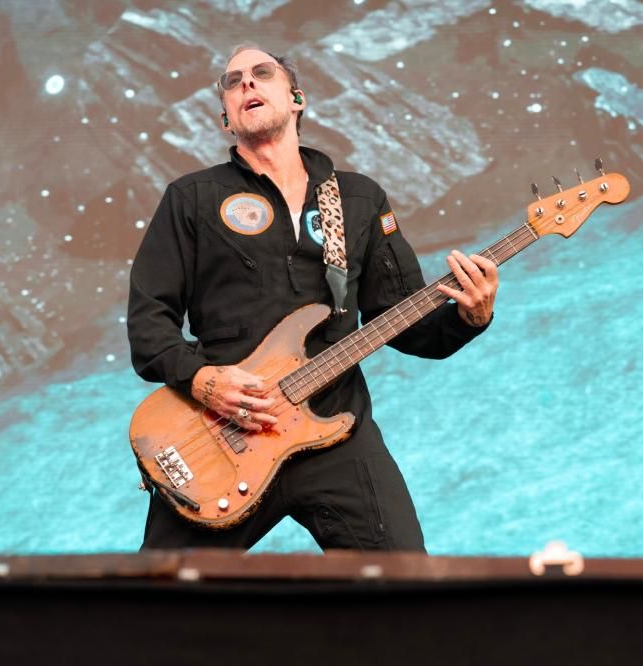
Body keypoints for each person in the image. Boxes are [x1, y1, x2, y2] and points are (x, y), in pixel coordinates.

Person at [127, 44, 498, 552]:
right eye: (233, 81)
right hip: (220, 435)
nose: (246, 83)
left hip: (336, 432)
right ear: (225, 119)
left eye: (262, 73)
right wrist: (203, 380)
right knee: (159, 593)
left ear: (296, 98)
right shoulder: (191, 199)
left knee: (405, 582)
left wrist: (469, 317)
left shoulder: (358, 198)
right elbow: (148, 321)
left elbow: (405, 323)